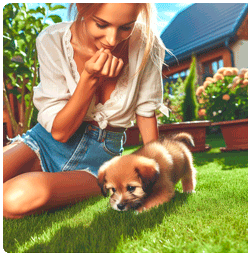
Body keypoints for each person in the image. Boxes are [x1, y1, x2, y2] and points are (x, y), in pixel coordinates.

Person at [3, 3, 170, 219]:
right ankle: (34, 173)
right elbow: (60, 133)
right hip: (44, 142)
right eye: (101, 24)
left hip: (98, 161)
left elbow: (146, 111)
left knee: (12, 201)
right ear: (82, 8)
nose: (112, 39)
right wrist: (89, 80)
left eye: (126, 27)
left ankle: (41, 182)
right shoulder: (52, 40)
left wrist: (158, 172)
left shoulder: (147, 45)